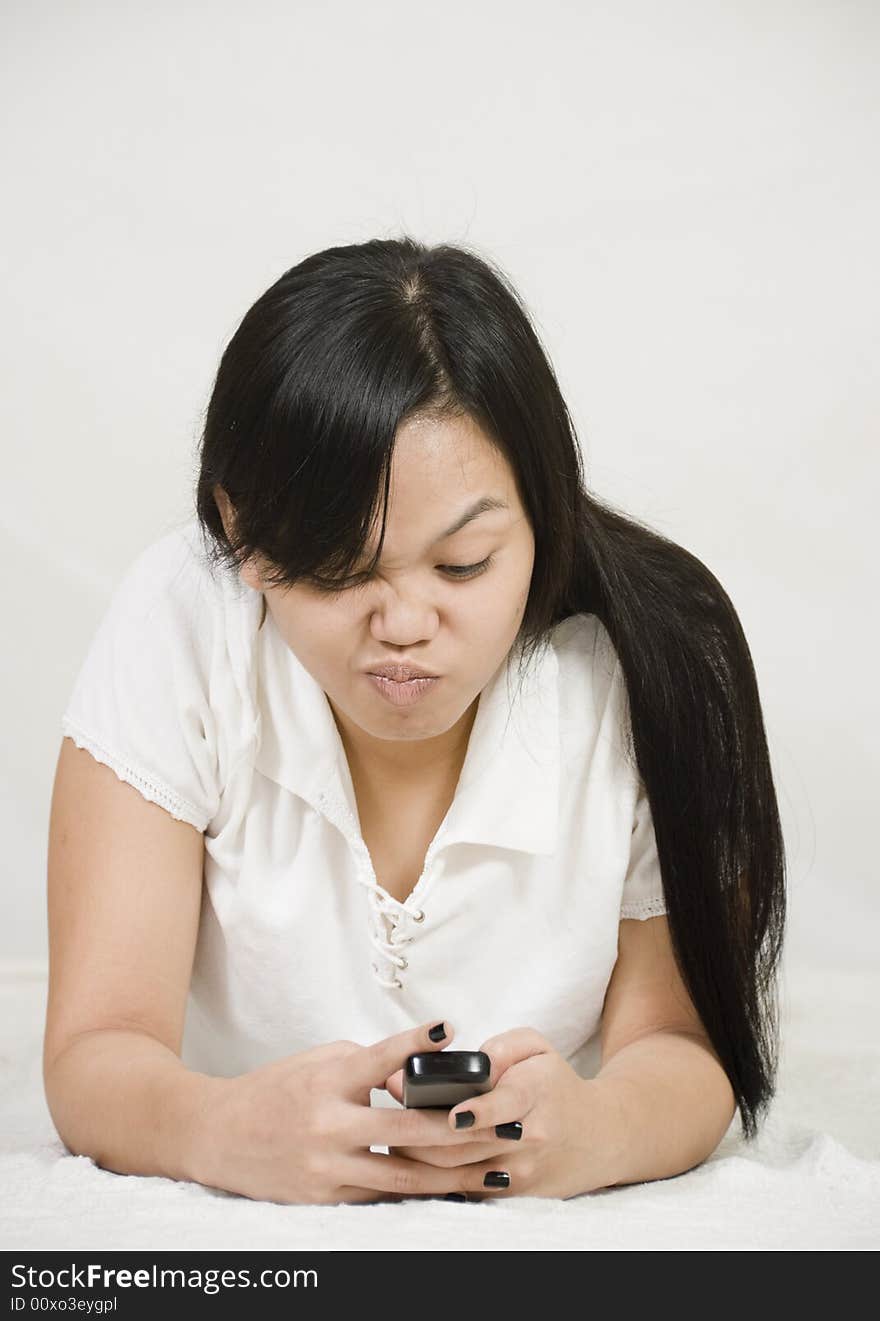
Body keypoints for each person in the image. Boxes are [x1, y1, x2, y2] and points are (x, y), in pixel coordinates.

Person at [44, 236, 786, 1206]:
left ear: (543, 514)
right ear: (243, 535)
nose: (403, 626)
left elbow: (682, 1045)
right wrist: (218, 1128)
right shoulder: (183, 618)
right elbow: (97, 1046)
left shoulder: (655, 660)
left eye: (464, 564)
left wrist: (593, 1128)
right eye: (344, 567)